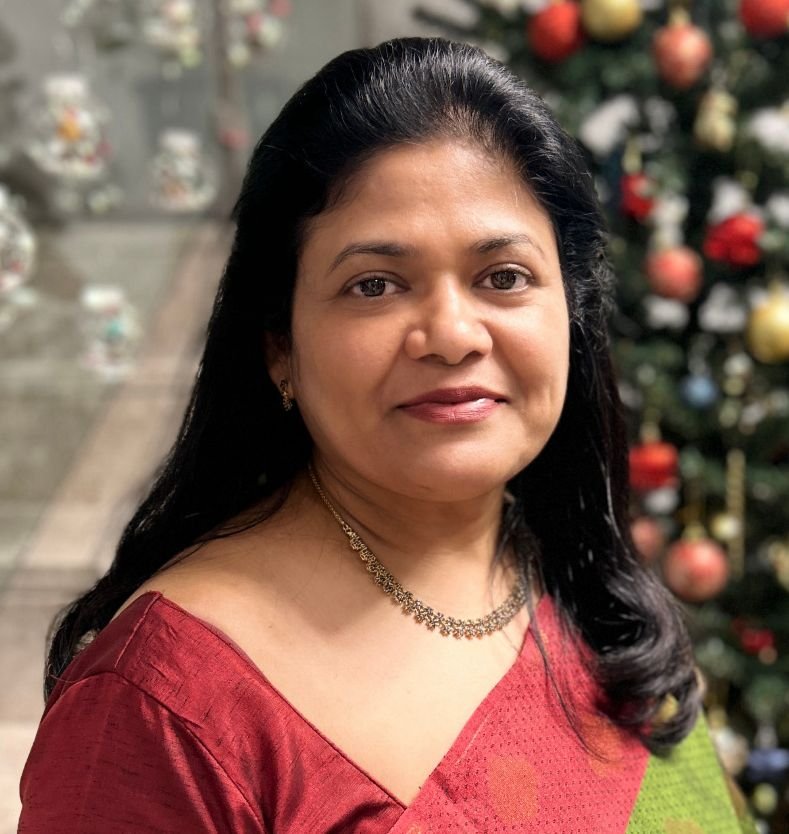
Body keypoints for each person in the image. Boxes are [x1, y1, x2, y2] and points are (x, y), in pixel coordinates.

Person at [19, 37, 751, 833]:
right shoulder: (164, 703)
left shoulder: (593, 595)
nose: (451, 335)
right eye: (374, 285)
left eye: (503, 277)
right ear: (278, 345)